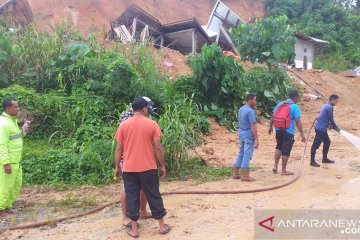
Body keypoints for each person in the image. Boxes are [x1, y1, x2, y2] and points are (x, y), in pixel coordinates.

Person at [114, 97, 170, 238]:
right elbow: (158, 147)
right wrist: (162, 165)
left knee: (132, 196)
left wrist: (116, 167)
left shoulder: (123, 125)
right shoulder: (152, 124)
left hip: (129, 168)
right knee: (154, 195)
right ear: (144, 109)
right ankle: (162, 226)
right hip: (148, 167)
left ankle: (134, 229)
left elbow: (118, 149)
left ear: (133, 109)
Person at [118, 97, 154, 227]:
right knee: (128, 188)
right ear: (144, 108)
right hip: (128, 158)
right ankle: (125, 217)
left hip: (140, 157)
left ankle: (143, 211)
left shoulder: (142, 118)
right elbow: (124, 141)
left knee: (143, 186)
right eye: (147, 110)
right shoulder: (127, 117)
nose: (148, 113)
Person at [0, 98, 30, 218]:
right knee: (5, 186)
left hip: (16, 160)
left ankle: (7, 206)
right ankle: (1, 209)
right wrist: (5, 163)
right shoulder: (3, 123)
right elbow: (1, 144)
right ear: (8, 108)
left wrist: (23, 130)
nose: (18, 109)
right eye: (16, 107)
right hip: (8, 162)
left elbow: (16, 137)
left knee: (15, 186)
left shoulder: (12, 121)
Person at [268, 90, 306, 175]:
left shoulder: (280, 103)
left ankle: (275, 166)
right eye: (298, 98)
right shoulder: (294, 106)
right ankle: (284, 170)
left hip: (278, 129)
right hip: (288, 131)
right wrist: (302, 134)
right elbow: (298, 121)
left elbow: (273, 116)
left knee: (279, 147)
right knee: (286, 150)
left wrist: (270, 127)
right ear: (295, 97)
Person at [232, 94, 259, 181]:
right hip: (248, 135)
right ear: (250, 100)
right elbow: (253, 125)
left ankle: (235, 173)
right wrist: (256, 139)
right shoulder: (250, 111)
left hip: (241, 134)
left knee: (241, 153)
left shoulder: (241, 109)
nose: (255, 102)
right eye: (254, 100)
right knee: (247, 154)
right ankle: (245, 175)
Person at [310, 94, 340, 167]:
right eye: (336, 101)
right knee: (315, 145)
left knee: (327, 142)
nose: (337, 102)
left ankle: (324, 159)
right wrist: (336, 128)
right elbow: (331, 119)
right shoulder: (329, 107)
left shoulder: (326, 105)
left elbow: (325, 118)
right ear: (332, 100)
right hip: (320, 129)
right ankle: (312, 161)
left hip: (321, 127)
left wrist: (329, 125)